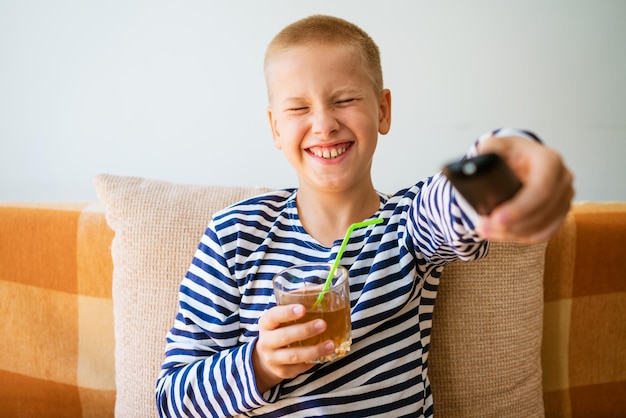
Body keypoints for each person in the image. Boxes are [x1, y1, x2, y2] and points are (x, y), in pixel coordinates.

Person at [155, 14, 573, 417]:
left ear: (383, 110)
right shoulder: (234, 234)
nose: (323, 125)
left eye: (345, 100)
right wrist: (261, 365)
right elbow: (171, 399)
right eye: (298, 109)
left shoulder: (406, 225)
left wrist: (503, 154)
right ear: (275, 128)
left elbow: (454, 200)